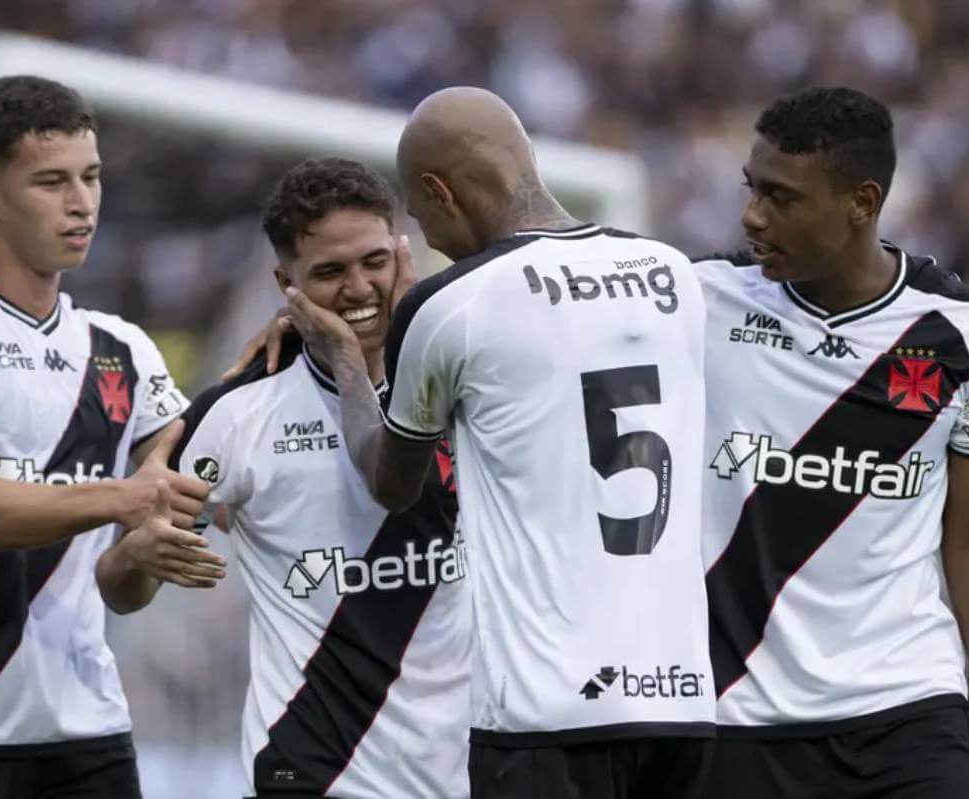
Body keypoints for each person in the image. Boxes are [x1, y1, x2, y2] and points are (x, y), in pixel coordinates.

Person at [284, 88, 715, 798]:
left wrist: (349, 366)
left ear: (438, 192)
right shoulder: (674, 274)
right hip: (682, 704)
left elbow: (392, 482)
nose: (433, 240)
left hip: (545, 715)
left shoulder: (454, 301)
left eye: (422, 221)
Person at [0, 75, 223, 799]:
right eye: (51, 181)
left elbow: (127, 588)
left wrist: (145, 550)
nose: (81, 201)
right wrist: (128, 498)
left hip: (88, 731)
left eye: (91, 177)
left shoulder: (123, 350)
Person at [97, 157, 471, 798]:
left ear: (403, 255)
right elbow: (121, 588)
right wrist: (139, 550)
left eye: (373, 262)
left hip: (463, 771)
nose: (358, 289)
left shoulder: (471, 385)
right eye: (329, 272)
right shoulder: (238, 413)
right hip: (311, 772)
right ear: (285, 282)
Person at [696, 86, 969, 799]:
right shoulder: (702, 304)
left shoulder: (958, 333)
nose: (753, 216)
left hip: (907, 710)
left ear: (861, 202)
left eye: (782, 198)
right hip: (737, 712)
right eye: (753, 190)